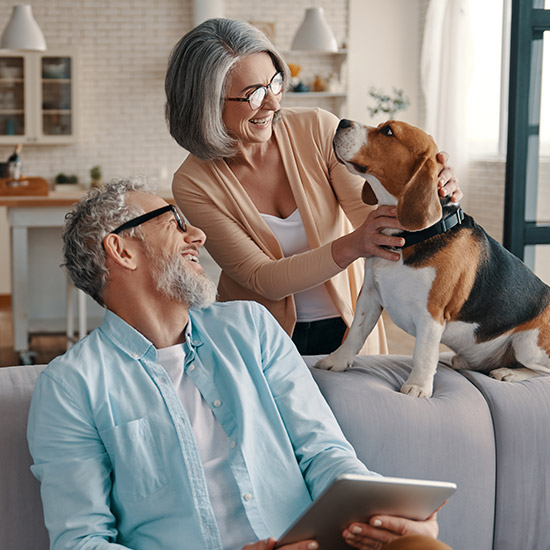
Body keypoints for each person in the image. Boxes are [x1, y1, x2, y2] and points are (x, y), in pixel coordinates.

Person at [27, 179, 452, 550]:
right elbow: (81, 541)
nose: (197, 235)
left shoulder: (251, 327)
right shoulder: (71, 385)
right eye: (174, 222)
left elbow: (322, 452)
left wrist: (385, 514)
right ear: (121, 249)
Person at [166, 18, 462, 356]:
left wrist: (428, 187)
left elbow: (377, 216)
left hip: (349, 327)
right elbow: (262, 278)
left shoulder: (318, 128)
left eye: (274, 83)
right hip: (258, 341)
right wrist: (352, 245)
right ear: (207, 103)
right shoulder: (192, 183)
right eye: (254, 94)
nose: (274, 104)